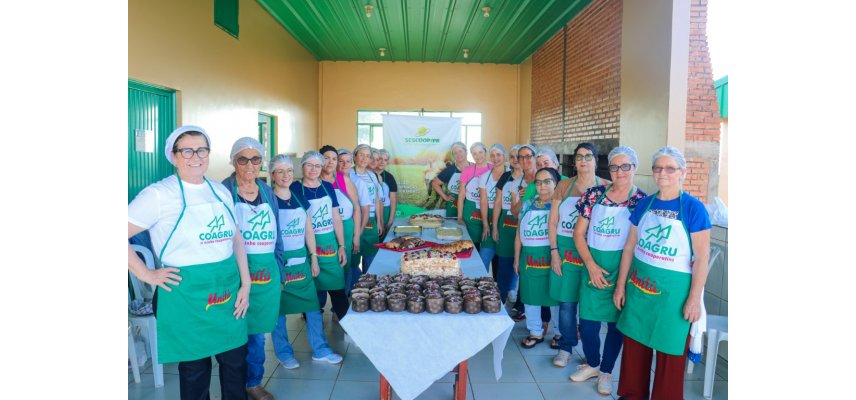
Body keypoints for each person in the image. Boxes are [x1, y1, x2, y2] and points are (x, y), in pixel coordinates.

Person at [128, 125, 250, 399]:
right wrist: (147, 274)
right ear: (173, 156)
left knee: (235, 361)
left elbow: (236, 239)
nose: (196, 156)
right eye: (187, 150)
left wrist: (246, 283)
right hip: (185, 294)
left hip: (228, 290)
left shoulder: (220, 191)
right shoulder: (159, 195)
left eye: (202, 149)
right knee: (195, 368)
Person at [614, 147, 712, 400]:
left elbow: (701, 258)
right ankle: (631, 395)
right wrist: (621, 286)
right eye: (658, 168)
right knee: (635, 349)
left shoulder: (693, 208)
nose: (663, 173)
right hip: (639, 289)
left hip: (674, 296)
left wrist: (693, 299)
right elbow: (629, 247)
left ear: (683, 173)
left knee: (670, 354)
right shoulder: (645, 204)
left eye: (670, 168)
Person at [570, 146, 647, 395]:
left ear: (634, 168)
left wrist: (622, 282)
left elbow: (637, 243)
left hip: (623, 271)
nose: (620, 171)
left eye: (626, 166)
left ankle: (606, 371)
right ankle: (592, 363)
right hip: (593, 266)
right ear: (609, 169)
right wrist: (591, 265)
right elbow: (578, 233)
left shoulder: (642, 202)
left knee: (615, 326)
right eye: (614, 166)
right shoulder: (594, 195)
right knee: (589, 323)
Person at [222, 138, 285, 400]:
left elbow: (277, 232)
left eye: (255, 159)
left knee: (258, 333)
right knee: (235, 332)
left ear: (262, 162)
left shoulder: (266, 191)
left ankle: (253, 382)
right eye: (243, 159)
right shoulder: (223, 191)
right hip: (236, 273)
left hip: (266, 273)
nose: (250, 165)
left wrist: (279, 268)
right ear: (233, 161)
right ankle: (234, 387)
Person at [269, 154, 344, 371]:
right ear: (273, 174)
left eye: (289, 171)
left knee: (312, 306)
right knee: (279, 311)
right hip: (280, 262)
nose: (286, 175)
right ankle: (284, 353)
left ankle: (321, 349)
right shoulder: (269, 200)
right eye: (280, 171)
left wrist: (313, 257)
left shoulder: (298, 196)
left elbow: (308, 228)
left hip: (301, 260)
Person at [547, 143, 611, 368]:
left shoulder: (607, 187)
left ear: (595, 160)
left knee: (589, 307)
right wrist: (554, 252)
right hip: (566, 250)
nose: (583, 160)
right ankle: (566, 347)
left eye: (588, 156)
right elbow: (553, 221)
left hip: (594, 253)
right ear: (574, 162)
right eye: (579, 157)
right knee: (566, 304)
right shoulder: (564, 186)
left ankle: (590, 354)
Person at [291, 151, 350, 323]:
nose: (313, 169)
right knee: (312, 291)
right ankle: (314, 330)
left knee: (338, 290)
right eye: (309, 165)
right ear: (302, 166)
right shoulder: (295, 188)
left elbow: (336, 218)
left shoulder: (327, 186)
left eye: (317, 165)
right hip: (308, 247)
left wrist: (342, 246)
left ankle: (349, 328)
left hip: (329, 246)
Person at [514, 167, 563, 349]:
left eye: (547, 181)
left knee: (557, 296)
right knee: (530, 295)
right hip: (529, 259)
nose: (542, 186)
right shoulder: (528, 205)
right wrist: (516, 258)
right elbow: (519, 233)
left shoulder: (562, 206)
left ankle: (560, 332)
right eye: (538, 182)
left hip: (553, 258)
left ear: (556, 183)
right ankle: (535, 331)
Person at [320, 145, 361, 301]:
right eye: (326, 158)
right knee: (323, 266)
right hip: (323, 232)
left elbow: (357, 208)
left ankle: (341, 303)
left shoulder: (343, 180)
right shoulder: (314, 181)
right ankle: (319, 304)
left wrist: (356, 236)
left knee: (346, 265)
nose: (331, 162)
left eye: (334, 159)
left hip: (346, 229)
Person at [492, 145, 525, 315]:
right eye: (512, 156)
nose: (515, 160)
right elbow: (498, 202)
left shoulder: (530, 178)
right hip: (505, 226)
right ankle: (501, 298)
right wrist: (495, 226)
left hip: (524, 226)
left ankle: (521, 305)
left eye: (518, 156)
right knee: (504, 263)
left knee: (524, 267)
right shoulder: (505, 177)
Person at [339, 148, 372, 290]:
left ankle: (345, 300)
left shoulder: (358, 182)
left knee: (349, 266)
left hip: (350, 230)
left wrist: (358, 234)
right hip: (330, 232)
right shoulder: (329, 180)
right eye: (340, 161)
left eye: (348, 161)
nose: (345, 164)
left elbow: (363, 209)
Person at [457, 142, 492, 269]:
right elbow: (461, 195)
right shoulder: (468, 170)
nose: (478, 156)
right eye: (474, 154)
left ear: (485, 152)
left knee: (489, 249)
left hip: (489, 214)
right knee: (472, 249)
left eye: (480, 152)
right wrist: (460, 217)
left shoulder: (493, 168)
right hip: (470, 215)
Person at [351, 144, 385, 271]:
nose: (364, 159)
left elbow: (376, 199)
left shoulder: (372, 175)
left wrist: (379, 222)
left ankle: (368, 282)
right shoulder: (348, 174)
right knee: (353, 256)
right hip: (354, 218)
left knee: (371, 256)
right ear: (354, 156)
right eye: (361, 155)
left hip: (371, 220)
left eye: (367, 156)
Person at [478, 144, 507, 274]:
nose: (495, 158)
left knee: (504, 259)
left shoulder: (513, 174)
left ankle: (502, 290)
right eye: (493, 155)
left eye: (498, 155)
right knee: (484, 256)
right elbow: (483, 201)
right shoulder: (484, 176)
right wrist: (485, 224)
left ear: (504, 156)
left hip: (506, 217)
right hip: (489, 216)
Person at [432, 142, 471, 217]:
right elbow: (435, 183)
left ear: (466, 152)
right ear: (453, 156)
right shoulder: (450, 169)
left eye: (460, 151)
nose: (458, 155)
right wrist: (445, 197)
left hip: (469, 205)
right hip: (454, 205)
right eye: (455, 153)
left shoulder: (474, 167)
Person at [376, 149, 398, 235]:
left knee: (383, 236)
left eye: (385, 160)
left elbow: (393, 200)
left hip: (385, 211)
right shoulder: (368, 175)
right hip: (371, 211)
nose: (382, 162)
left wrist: (390, 220)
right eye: (380, 159)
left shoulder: (389, 177)